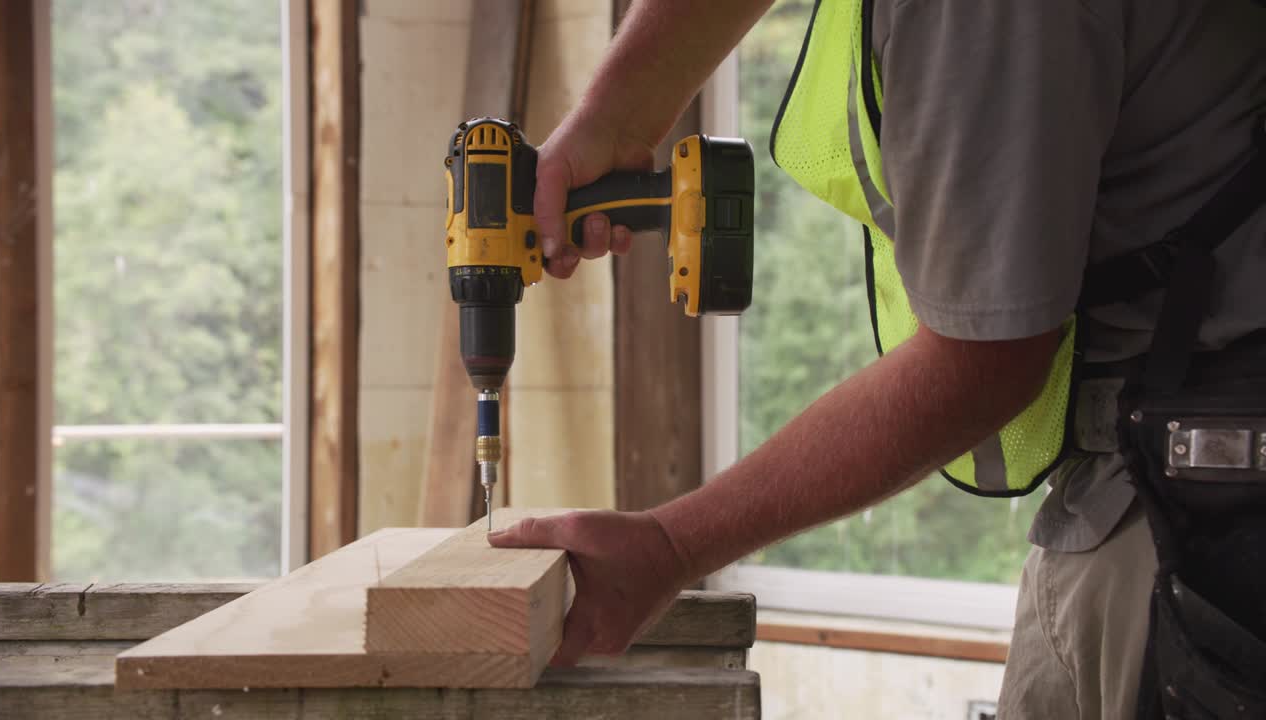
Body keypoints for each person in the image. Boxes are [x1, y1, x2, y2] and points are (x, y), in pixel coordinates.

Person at [485, 1, 1266, 716]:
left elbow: (984, 364)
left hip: (1204, 493)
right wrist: (615, 115)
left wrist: (671, 546)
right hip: (1132, 468)